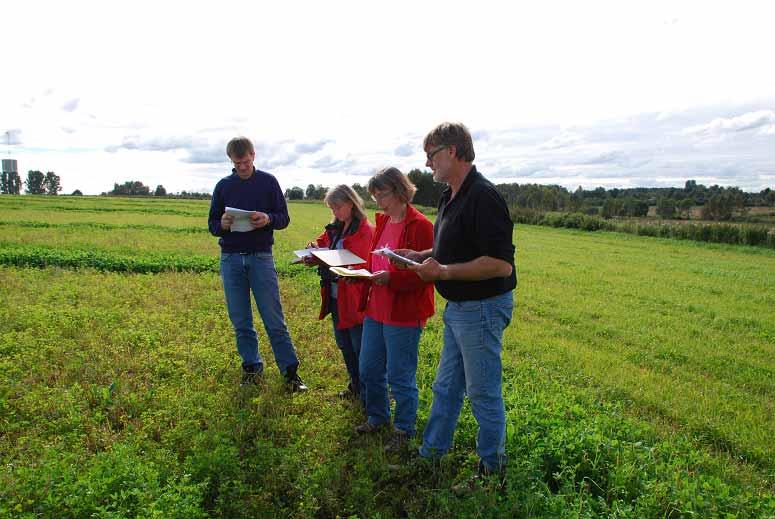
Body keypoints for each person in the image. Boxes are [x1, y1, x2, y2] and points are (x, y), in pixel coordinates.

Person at [400, 122, 516, 477]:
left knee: (483, 394)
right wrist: (422, 255)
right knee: (446, 386)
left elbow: (499, 265)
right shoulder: (450, 195)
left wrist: (444, 272)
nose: (426, 164)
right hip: (460, 308)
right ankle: (431, 454)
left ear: (452, 150)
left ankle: (491, 472)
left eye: (431, 155)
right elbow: (453, 248)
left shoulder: (484, 196)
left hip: (481, 308)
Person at [208, 136, 308, 392]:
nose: (242, 166)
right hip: (231, 259)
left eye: (246, 160)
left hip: (261, 257)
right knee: (241, 320)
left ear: (254, 155)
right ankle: (251, 368)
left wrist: (267, 219)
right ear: (230, 159)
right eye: (237, 162)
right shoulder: (223, 186)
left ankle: (290, 373)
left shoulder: (268, 182)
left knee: (274, 319)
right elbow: (212, 226)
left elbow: (284, 218)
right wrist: (223, 225)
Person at [356, 167, 435, 453]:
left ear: (400, 191)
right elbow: (377, 262)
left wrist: (393, 278)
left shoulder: (421, 226)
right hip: (376, 308)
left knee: (400, 375)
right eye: (374, 196)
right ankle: (377, 417)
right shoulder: (383, 221)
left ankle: (404, 429)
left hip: (404, 311)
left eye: (383, 194)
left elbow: (426, 273)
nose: (379, 201)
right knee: (368, 368)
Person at [305, 185, 374, 400]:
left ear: (351, 203)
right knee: (344, 344)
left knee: (359, 348)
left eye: (337, 207)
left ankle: (369, 394)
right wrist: (312, 254)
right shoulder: (335, 228)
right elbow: (322, 246)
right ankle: (355, 386)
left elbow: (363, 262)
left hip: (354, 298)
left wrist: (339, 262)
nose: (334, 212)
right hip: (335, 296)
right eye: (331, 208)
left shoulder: (364, 230)